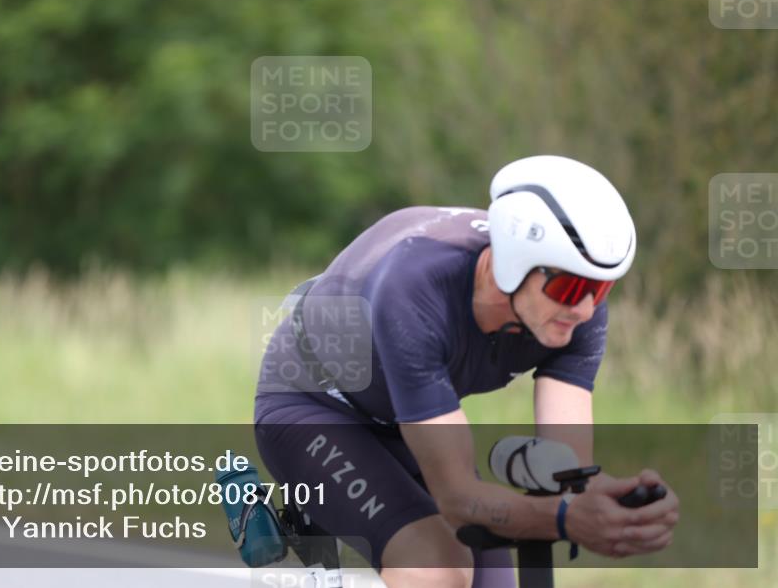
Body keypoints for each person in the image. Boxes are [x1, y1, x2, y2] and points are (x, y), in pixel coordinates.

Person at [253, 155, 680, 588]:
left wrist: (615, 505)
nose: (585, 308)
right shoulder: (417, 289)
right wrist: (567, 519)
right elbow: (457, 498)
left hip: (404, 416)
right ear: (513, 262)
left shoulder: (576, 313)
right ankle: (309, 516)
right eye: (570, 288)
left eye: (599, 288)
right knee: (437, 568)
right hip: (314, 405)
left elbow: (564, 469)